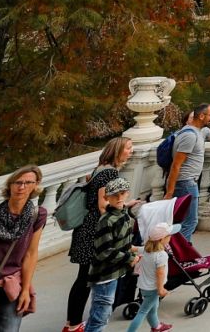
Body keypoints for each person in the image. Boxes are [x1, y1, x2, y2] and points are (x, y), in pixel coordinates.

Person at [65, 137, 135, 331]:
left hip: (87, 229)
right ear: (118, 150)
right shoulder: (110, 172)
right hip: (93, 232)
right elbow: (103, 205)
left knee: (83, 278)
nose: (131, 152)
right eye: (128, 148)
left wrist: (126, 204)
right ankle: (73, 324)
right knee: (85, 278)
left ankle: (73, 322)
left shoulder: (100, 168)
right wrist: (121, 211)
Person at [0, 165, 45, 331]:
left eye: (28, 182)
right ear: (10, 185)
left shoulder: (37, 216)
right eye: (18, 182)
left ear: (36, 185)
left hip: (10, 287)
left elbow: (30, 255)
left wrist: (26, 290)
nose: (22, 187)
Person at [164, 103, 210, 243]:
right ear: (201, 116)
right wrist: (169, 192)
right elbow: (176, 165)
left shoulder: (196, 132)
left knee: (184, 221)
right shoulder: (189, 136)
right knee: (190, 222)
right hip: (186, 183)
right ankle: (180, 255)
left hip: (187, 182)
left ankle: (178, 252)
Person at [84, 178, 136, 332]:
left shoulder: (123, 215)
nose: (119, 198)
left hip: (114, 272)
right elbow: (104, 251)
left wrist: (135, 249)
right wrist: (130, 258)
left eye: (122, 194)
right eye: (114, 196)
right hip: (105, 275)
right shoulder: (106, 221)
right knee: (100, 318)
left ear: (127, 194)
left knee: (100, 315)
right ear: (107, 198)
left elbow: (121, 243)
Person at [122, 222, 170, 332]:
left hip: (144, 287)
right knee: (142, 312)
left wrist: (122, 243)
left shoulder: (146, 249)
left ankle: (157, 326)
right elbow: (160, 274)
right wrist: (161, 289)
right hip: (153, 288)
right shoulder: (161, 255)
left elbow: (133, 248)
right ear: (161, 239)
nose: (170, 237)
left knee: (153, 308)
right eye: (168, 236)